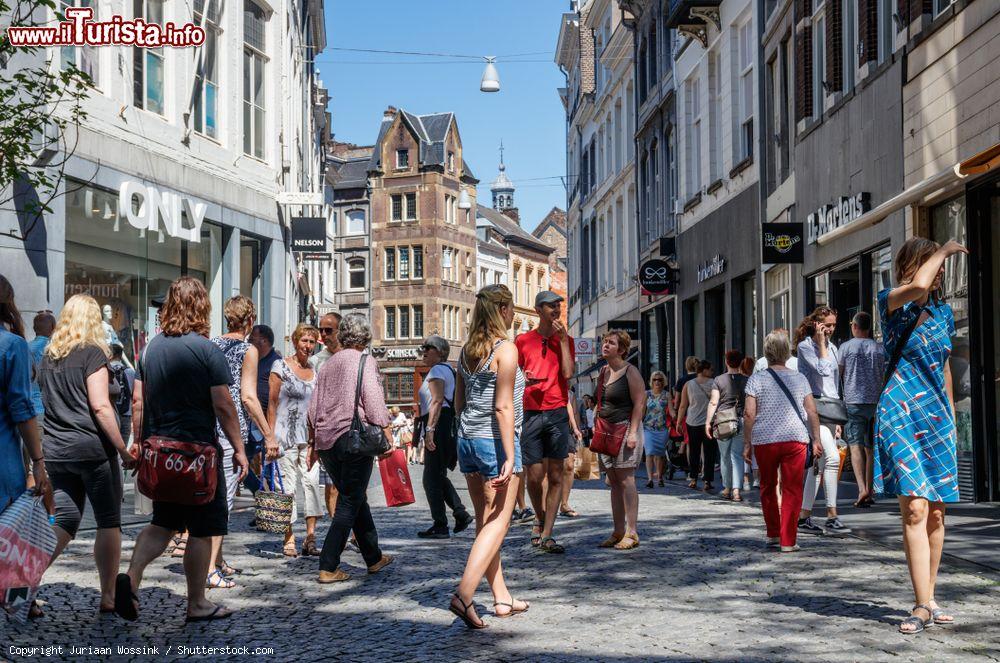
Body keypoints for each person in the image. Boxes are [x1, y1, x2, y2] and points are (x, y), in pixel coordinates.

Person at [116, 276, 249, 623]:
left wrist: (140, 445)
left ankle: (130, 579)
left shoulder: (150, 349)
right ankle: (197, 603)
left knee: (162, 523)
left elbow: (138, 401)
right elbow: (223, 405)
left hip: (160, 453)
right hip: (198, 455)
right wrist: (239, 448)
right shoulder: (207, 350)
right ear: (202, 306)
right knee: (203, 529)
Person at [874, 237, 967, 634]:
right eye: (932, 263)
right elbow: (917, 288)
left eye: (941, 264)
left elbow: (945, 367)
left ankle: (930, 597)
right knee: (914, 509)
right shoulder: (891, 301)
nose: (940, 271)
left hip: (935, 416)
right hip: (899, 412)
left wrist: (951, 417)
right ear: (913, 263)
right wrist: (943, 250)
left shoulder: (944, 313)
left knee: (938, 512)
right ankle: (920, 604)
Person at [36, 294, 137, 613]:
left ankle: (25, 579)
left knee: (65, 519)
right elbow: (100, 405)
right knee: (109, 521)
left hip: (57, 452)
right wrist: (123, 449)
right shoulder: (93, 353)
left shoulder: (49, 356)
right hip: (93, 451)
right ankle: (108, 596)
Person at [449, 284, 527, 629]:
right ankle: (464, 595)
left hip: (467, 441)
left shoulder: (466, 351)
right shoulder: (505, 350)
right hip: (494, 442)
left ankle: (501, 596)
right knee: (498, 523)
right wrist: (510, 455)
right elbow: (503, 406)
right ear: (504, 310)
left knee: (485, 524)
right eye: (511, 310)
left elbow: (459, 403)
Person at [307, 313, 393, 583]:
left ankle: (373, 557)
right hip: (354, 439)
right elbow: (374, 402)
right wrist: (386, 433)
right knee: (350, 501)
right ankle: (328, 564)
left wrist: (315, 441)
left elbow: (312, 409)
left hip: (327, 441)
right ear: (365, 337)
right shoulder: (365, 361)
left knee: (354, 497)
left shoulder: (328, 365)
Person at [208, 295, 277, 587]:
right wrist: (269, 433)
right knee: (223, 501)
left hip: (208, 427)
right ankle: (210, 569)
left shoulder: (211, 344)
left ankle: (218, 559)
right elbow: (248, 397)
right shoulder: (247, 349)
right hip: (230, 429)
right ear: (250, 321)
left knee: (217, 495)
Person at [514, 291, 582, 554]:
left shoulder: (566, 340)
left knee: (555, 475)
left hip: (556, 412)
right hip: (531, 412)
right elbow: (512, 375)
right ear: (537, 310)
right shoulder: (522, 341)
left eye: (558, 306)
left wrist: (563, 341)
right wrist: (524, 379)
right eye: (551, 306)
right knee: (533, 476)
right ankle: (541, 518)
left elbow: (567, 373)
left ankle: (548, 533)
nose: (556, 310)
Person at [1, 277, 53, 619]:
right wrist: (38, 461)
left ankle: (23, 598)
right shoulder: (11, 345)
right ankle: (18, 597)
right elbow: (21, 409)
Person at [743, 331, 822, 552]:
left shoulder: (756, 379)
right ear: (787, 353)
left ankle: (773, 533)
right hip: (794, 440)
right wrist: (815, 439)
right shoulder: (800, 378)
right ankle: (788, 541)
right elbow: (812, 411)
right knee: (792, 488)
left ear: (767, 353)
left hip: (765, 440)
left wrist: (747, 443)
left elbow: (749, 414)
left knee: (768, 486)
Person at [267, 322, 322, 557]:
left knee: (311, 484)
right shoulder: (280, 366)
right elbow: (271, 403)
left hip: (307, 438)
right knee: (287, 488)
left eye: (311, 342)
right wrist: (269, 436)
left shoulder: (314, 372)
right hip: (283, 436)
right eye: (304, 341)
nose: (308, 346)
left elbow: (316, 408)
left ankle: (310, 537)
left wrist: (316, 440)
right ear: (295, 340)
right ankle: (288, 536)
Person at [795, 307, 850, 535]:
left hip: (829, 408)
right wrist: (820, 344)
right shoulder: (806, 347)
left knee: (816, 467)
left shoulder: (833, 348)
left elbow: (835, 383)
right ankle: (832, 515)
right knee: (832, 457)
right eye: (826, 325)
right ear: (816, 324)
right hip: (813, 409)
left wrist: (837, 417)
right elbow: (824, 371)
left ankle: (804, 516)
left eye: (834, 325)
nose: (830, 329)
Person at [414, 335, 474, 539]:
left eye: (428, 347)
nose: (424, 350)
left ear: (440, 352)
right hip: (444, 425)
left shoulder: (438, 370)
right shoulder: (447, 369)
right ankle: (459, 513)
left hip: (439, 425)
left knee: (431, 478)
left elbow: (437, 401)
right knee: (436, 475)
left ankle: (442, 523)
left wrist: (430, 430)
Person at [594, 331, 645, 550]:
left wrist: (633, 432)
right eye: (605, 342)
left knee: (626, 480)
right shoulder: (603, 371)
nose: (605, 345)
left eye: (611, 343)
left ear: (622, 349)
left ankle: (632, 532)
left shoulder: (630, 371)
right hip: (606, 431)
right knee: (613, 482)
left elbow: (640, 403)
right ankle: (618, 530)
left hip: (624, 430)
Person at [838, 311, 886, 508]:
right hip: (875, 402)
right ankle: (870, 488)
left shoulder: (846, 348)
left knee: (856, 446)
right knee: (870, 448)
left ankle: (861, 489)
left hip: (853, 401)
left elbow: (838, 374)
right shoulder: (880, 349)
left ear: (855, 327)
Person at [308, 312, 342, 517]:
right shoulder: (316, 361)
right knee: (332, 486)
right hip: (326, 430)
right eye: (320, 330)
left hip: (350, 429)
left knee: (355, 487)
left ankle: (354, 532)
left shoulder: (354, 356)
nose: (323, 334)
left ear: (340, 331)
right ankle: (339, 529)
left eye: (328, 330)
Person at [706, 350, 748, 502]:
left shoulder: (718, 380)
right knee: (737, 456)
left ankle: (727, 488)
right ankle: (737, 490)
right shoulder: (747, 379)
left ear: (726, 362)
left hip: (723, 421)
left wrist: (707, 422)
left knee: (724, 456)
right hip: (741, 420)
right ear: (741, 362)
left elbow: (713, 402)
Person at [247, 324, 282, 496]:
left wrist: (271, 432)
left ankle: (268, 509)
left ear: (264, 341)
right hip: (252, 423)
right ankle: (262, 499)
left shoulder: (276, 362)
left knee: (269, 470)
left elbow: (276, 399)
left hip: (269, 425)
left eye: (251, 339)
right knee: (242, 465)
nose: (248, 342)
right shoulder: (253, 360)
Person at [677, 360, 717, 492]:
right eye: (710, 370)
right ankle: (707, 481)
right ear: (704, 370)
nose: (712, 372)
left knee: (694, 451)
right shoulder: (714, 384)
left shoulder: (689, 384)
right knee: (709, 452)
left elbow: (683, 405)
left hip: (692, 422)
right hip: (709, 423)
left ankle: (693, 478)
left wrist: (678, 422)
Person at [642, 371, 670, 489]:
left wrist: (677, 418)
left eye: (660, 379)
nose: (657, 382)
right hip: (648, 428)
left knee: (659, 454)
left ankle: (659, 477)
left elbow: (671, 411)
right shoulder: (646, 394)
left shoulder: (667, 395)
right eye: (655, 379)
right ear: (651, 381)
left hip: (662, 428)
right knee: (649, 453)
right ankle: (650, 479)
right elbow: (642, 410)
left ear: (663, 382)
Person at [27, 311, 55, 427]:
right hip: (46, 411)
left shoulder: (25, 347)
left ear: (34, 328)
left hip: (27, 408)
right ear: (53, 328)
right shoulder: (53, 349)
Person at [109, 343, 135, 447]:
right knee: (123, 448)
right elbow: (135, 396)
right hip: (126, 415)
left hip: (109, 414)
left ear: (109, 355)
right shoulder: (130, 372)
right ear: (120, 356)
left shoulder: (104, 370)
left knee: (110, 450)